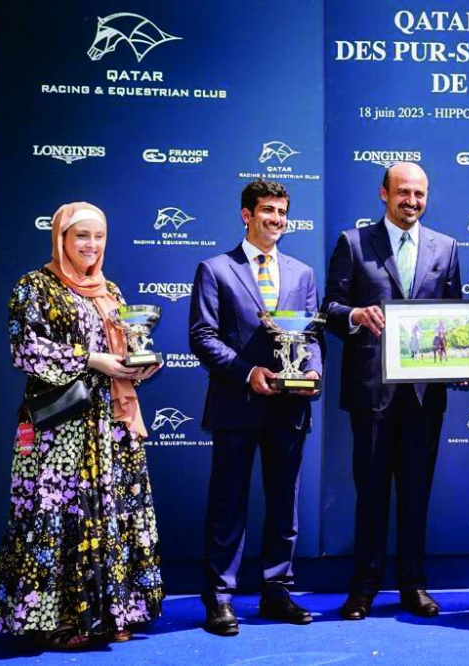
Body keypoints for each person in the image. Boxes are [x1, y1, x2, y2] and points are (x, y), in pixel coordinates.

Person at [0, 202, 163, 649]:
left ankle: (110, 612)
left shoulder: (112, 291)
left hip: (111, 426)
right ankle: (57, 620)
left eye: (98, 236)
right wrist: (89, 359)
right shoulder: (34, 287)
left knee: (110, 511)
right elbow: (25, 349)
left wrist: (134, 367)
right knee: (57, 513)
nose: (91, 245)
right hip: (60, 426)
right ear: (61, 238)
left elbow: (126, 345)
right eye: (82, 236)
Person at [325, 162, 462, 620]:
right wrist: (356, 315)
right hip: (371, 391)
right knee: (371, 493)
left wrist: (464, 360)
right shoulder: (353, 242)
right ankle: (363, 587)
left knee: (417, 492)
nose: (412, 202)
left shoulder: (447, 247)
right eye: (403, 192)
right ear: (383, 193)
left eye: (420, 194)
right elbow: (330, 308)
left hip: (424, 394)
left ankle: (413, 584)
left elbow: (454, 316)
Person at [190, 179, 322, 636]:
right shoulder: (215, 269)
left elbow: (311, 336)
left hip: (290, 408)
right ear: (246, 214)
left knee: (285, 503)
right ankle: (220, 598)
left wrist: (313, 373)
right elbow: (202, 336)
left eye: (282, 212)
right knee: (228, 503)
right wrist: (249, 372)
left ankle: (276, 590)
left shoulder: (303, 273)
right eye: (267, 210)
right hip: (236, 403)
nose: (276, 220)